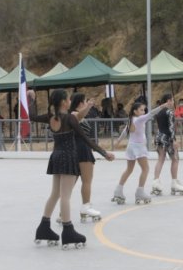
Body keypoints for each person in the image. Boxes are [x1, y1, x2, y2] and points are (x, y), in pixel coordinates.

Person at [28, 89, 115, 249]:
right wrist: (104, 153)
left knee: (55, 194)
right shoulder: (69, 119)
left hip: (56, 156)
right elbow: (86, 139)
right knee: (65, 196)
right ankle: (68, 231)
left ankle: (43, 228)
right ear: (63, 102)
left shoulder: (51, 117)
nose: (70, 100)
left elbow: (31, 116)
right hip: (68, 157)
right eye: (68, 98)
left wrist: (31, 99)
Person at [113, 98, 172, 205]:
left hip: (131, 146)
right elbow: (151, 113)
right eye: (141, 110)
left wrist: (118, 141)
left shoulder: (131, 119)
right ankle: (140, 191)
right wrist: (162, 106)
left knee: (129, 169)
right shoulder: (139, 119)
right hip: (139, 147)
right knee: (145, 169)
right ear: (135, 111)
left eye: (144, 110)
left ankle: (118, 190)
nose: (143, 112)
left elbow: (125, 131)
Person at [67, 93, 105, 222]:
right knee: (86, 181)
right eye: (85, 101)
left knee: (73, 182)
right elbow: (79, 115)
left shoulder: (75, 115)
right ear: (80, 103)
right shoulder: (73, 115)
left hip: (79, 149)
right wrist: (89, 106)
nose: (86, 103)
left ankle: (65, 211)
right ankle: (85, 206)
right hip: (81, 150)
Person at [152, 93, 183, 196]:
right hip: (167, 138)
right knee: (175, 159)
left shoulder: (158, 112)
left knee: (160, 159)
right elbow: (171, 128)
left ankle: (155, 182)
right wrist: (174, 140)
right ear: (168, 101)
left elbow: (160, 126)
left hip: (159, 137)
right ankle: (174, 183)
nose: (173, 102)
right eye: (172, 100)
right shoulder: (169, 112)